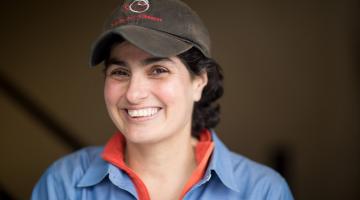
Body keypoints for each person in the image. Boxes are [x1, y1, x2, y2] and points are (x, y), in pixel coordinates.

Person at [32, 0, 294, 199]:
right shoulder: (62, 184)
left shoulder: (262, 191)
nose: (134, 94)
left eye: (158, 70)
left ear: (199, 82)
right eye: (120, 72)